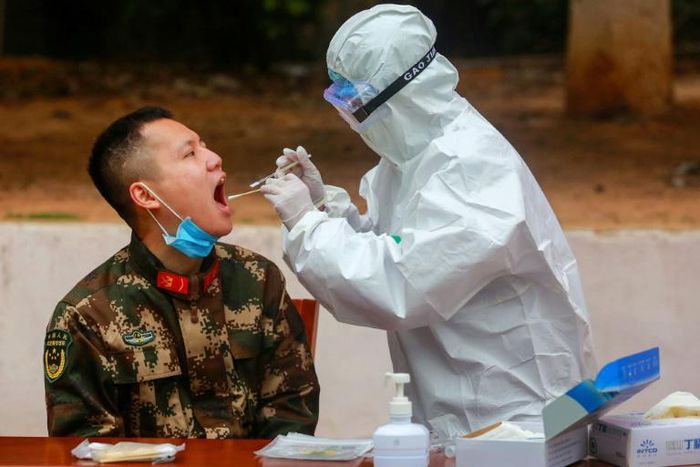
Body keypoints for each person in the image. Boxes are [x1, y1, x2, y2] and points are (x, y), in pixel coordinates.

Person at [261, 4, 595, 436]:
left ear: (401, 96)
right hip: (457, 409)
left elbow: (397, 286)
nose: (346, 115)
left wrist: (308, 224)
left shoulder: (471, 169)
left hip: (516, 414)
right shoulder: (409, 162)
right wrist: (325, 207)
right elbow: (392, 247)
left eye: (354, 101)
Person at [44, 107, 320, 438]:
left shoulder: (258, 280)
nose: (215, 158)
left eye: (204, 145)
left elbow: (292, 420)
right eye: (190, 153)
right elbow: (87, 451)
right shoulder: (87, 317)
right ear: (146, 195)